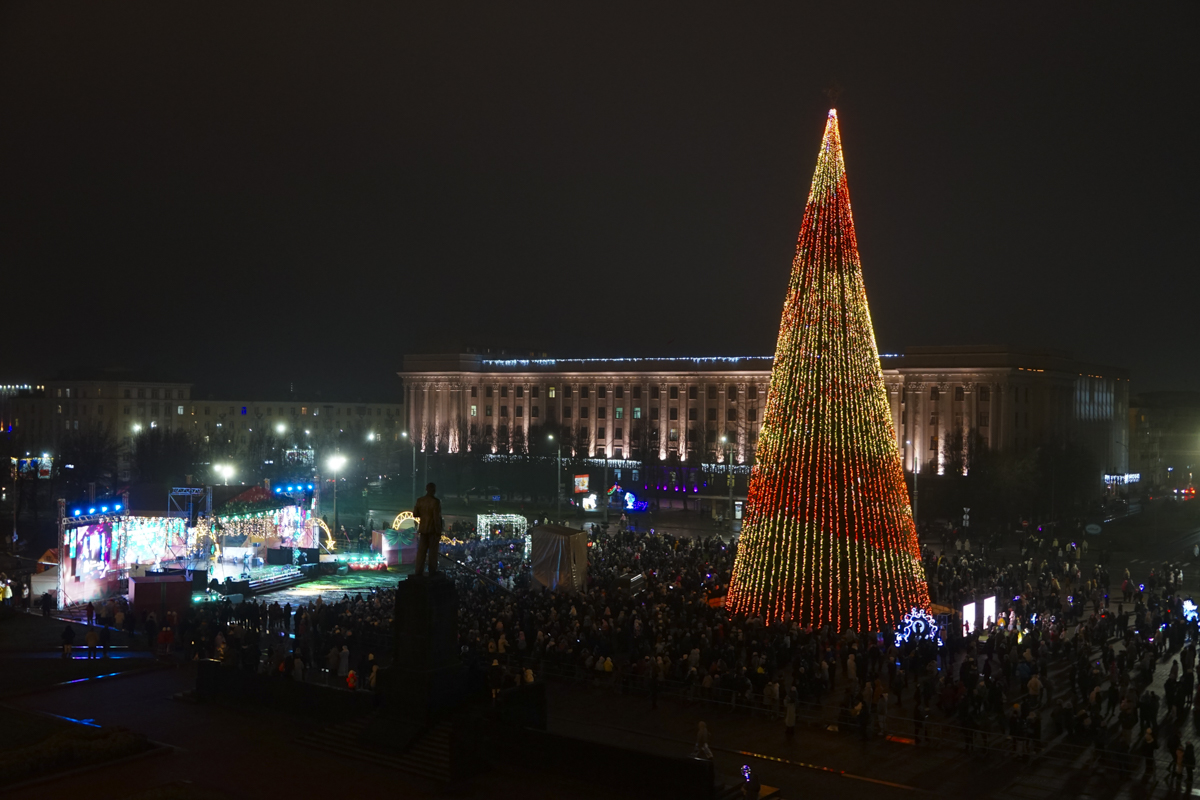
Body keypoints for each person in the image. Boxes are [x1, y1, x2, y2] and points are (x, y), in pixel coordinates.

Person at [412, 483, 444, 577]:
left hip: (423, 530)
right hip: (433, 530)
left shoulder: (420, 500)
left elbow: (415, 514)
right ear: (434, 490)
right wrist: (438, 531)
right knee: (433, 552)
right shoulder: (436, 502)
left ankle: (418, 570)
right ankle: (432, 571)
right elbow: (436, 518)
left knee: (421, 552)